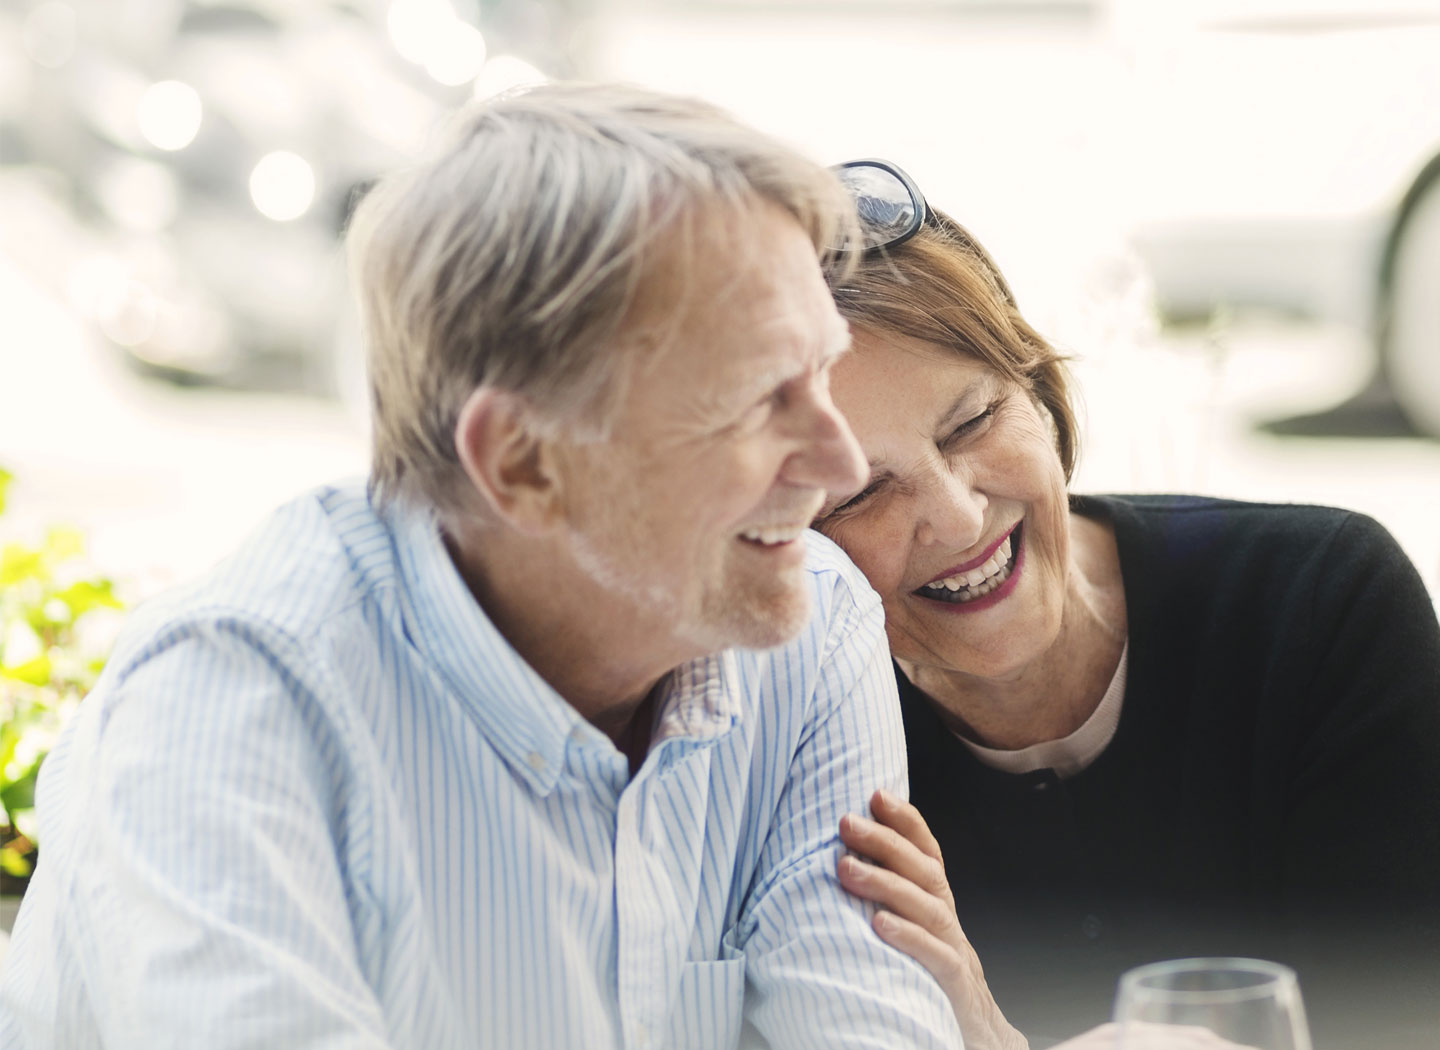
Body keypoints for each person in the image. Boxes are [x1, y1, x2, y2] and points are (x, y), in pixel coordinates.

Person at [0, 92, 964, 1050]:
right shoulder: (229, 705)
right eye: (758, 401)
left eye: (819, 376)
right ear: (522, 462)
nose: (839, 465)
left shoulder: (807, 618)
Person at [811, 160, 1440, 1050]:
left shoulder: (1317, 600)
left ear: (1037, 390)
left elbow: (1434, 1029)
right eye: (861, 493)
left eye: (972, 423)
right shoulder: (798, 723)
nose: (955, 517)